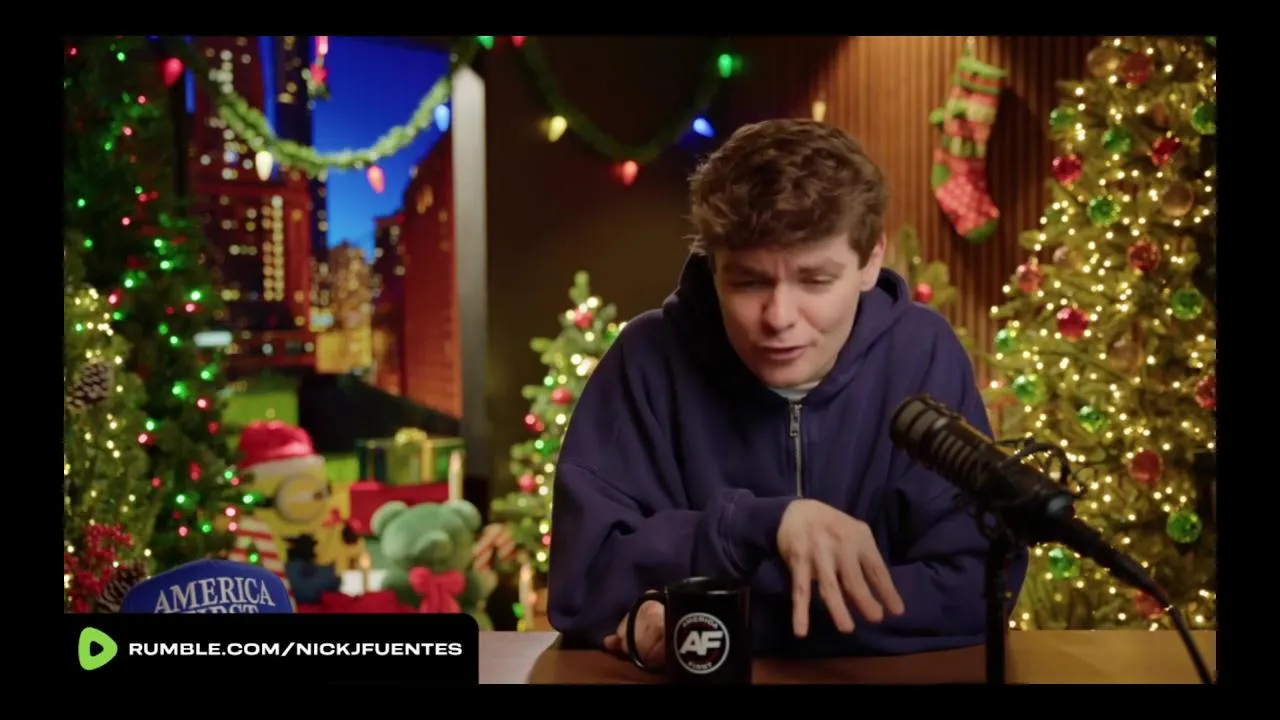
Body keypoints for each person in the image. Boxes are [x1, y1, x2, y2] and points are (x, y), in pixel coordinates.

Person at [546, 119, 1027, 664]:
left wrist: (724, 622)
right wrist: (759, 527)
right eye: (748, 282)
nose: (778, 318)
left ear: (871, 261)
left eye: (815, 281)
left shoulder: (924, 352)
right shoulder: (645, 359)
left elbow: (977, 587)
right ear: (712, 264)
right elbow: (582, 587)